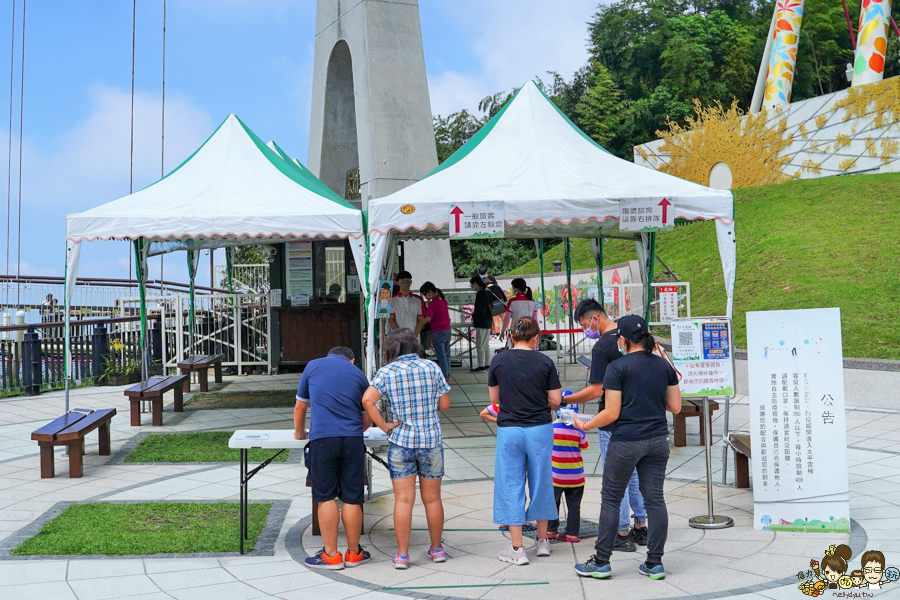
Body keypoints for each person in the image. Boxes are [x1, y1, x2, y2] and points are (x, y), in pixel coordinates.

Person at [574, 315, 681, 581]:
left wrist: (585, 425)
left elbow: (611, 413)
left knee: (611, 498)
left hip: (625, 441)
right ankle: (654, 563)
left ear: (622, 339)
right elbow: (675, 407)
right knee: (655, 499)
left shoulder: (617, 367)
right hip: (657, 441)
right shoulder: (663, 366)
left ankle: (601, 562)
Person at [362, 328, 451, 569]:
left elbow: (367, 400)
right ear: (415, 346)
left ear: (392, 348)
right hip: (431, 440)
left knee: (403, 500)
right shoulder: (432, 368)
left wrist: (384, 425)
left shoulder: (386, 372)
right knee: (432, 499)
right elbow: (445, 404)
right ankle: (437, 549)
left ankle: (402, 555)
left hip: (401, 441)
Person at [565, 299, 647, 551]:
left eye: (583, 325)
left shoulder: (602, 346)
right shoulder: (634, 337)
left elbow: (596, 389)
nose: (585, 331)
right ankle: (641, 527)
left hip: (613, 422)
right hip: (639, 418)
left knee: (616, 478)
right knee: (635, 475)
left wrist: (566, 399)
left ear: (595, 319)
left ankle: (621, 531)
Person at [489, 316, 561, 565]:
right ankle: (542, 541)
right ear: (536, 338)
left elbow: (494, 398)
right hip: (540, 428)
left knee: (510, 483)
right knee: (541, 481)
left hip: (510, 429)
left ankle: (517, 548)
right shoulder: (545, 361)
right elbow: (555, 400)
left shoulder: (498, 360)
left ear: (511, 336)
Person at [294, 347, 372, 570]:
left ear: (328, 355)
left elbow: (300, 406)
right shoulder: (358, 374)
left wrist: (300, 433)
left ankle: (331, 556)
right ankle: (354, 553)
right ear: (352, 359)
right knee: (352, 497)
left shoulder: (313, 366)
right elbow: (366, 420)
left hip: (323, 440)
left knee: (326, 496)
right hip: (352, 441)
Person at [548, 400, 589, 542]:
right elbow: (584, 446)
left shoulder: (551, 428)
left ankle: (550, 530)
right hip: (576, 476)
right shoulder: (579, 429)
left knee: (552, 503)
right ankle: (572, 533)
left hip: (555, 475)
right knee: (574, 506)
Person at [420, 282, 451, 379]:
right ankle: (448, 376)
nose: (425, 297)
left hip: (438, 331)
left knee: (441, 357)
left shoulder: (433, 303)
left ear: (429, 292)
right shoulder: (443, 300)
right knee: (447, 355)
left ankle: (444, 377)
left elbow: (428, 318)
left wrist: (419, 324)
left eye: (425, 294)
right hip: (447, 330)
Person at [389, 270, 427, 335]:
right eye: (402, 279)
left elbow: (421, 319)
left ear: (411, 281)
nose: (405, 280)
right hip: (398, 338)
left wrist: (415, 334)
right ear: (397, 283)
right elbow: (391, 319)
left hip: (414, 338)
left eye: (407, 278)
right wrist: (401, 334)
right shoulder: (392, 300)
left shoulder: (418, 299)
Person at [501, 278, 538, 345]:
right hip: (529, 331)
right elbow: (535, 319)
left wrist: (503, 331)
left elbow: (507, 318)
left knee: (516, 351)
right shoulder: (532, 302)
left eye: (513, 287)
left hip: (515, 331)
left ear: (516, 289)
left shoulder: (512, 302)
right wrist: (536, 331)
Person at [469, 276, 493, 371]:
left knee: (480, 345)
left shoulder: (480, 294)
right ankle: (487, 363)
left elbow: (480, 309)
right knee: (486, 344)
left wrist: (474, 317)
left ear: (475, 283)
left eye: (472, 285)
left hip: (481, 322)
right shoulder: (487, 293)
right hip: (487, 321)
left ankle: (481, 365)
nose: (472, 287)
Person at [479, 265, 506, 335]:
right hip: (500, 302)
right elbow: (501, 293)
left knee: (496, 321)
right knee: (505, 319)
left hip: (491, 304)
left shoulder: (479, 281)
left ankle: (497, 334)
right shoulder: (492, 279)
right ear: (486, 271)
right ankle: (508, 332)